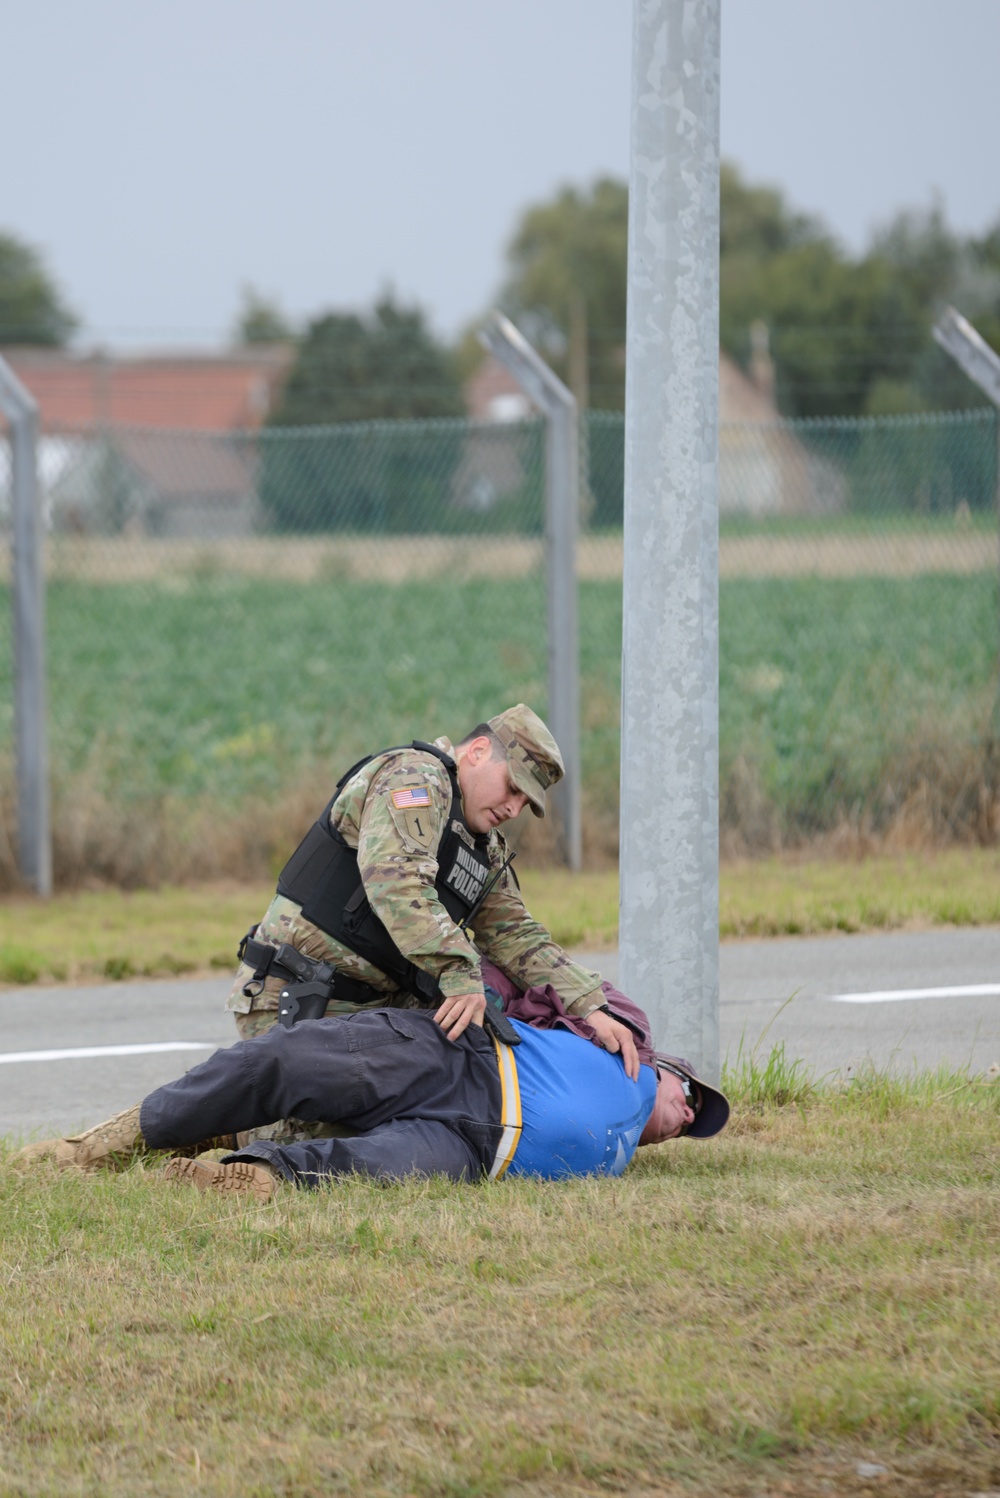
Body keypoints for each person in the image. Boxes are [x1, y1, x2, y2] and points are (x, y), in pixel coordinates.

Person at [225, 704, 641, 1143]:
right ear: (479, 751)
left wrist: (590, 1006)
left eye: (526, 802)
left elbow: (516, 934)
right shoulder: (413, 779)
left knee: (461, 1106)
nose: (514, 808)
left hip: (376, 1009)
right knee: (355, 1140)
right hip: (299, 1000)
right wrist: (460, 973)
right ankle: (228, 1122)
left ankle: (244, 1112)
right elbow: (397, 884)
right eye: (513, 787)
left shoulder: (481, 845)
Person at [31, 976, 729, 1202]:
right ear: (670, 1068)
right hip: (466, 1059)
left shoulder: (621, 1159)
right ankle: (109, 1144)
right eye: (691, 1098)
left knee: (366, 1171)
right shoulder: (623, 1032)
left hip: (472, 1150)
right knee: (287, 1063)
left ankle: (234, 1179)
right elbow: (531, 977)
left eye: (692, 1125)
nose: (685, 1115)